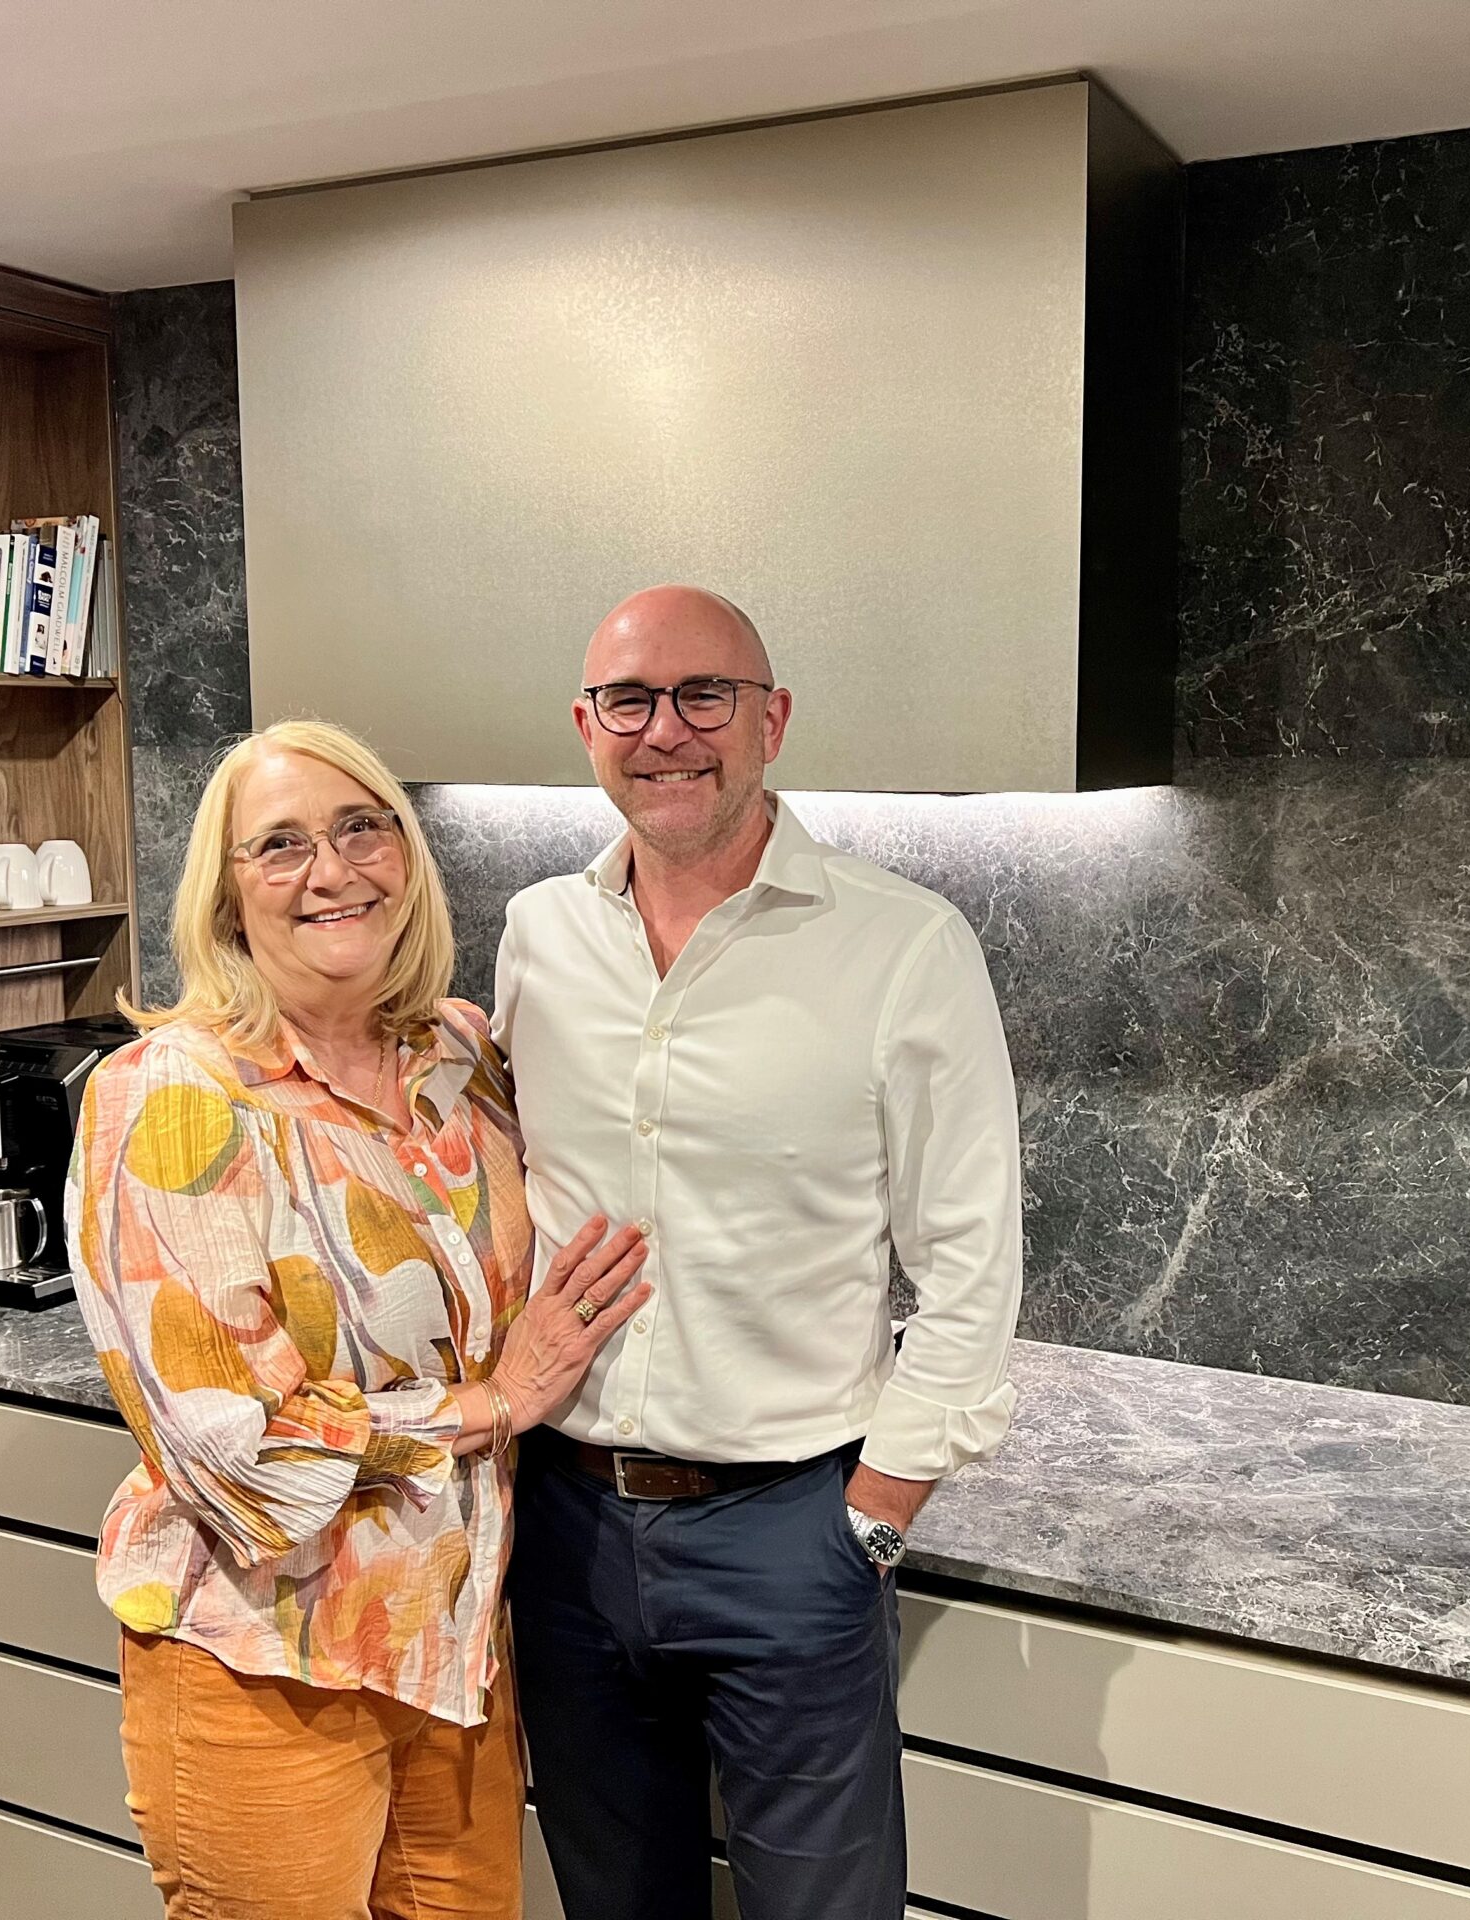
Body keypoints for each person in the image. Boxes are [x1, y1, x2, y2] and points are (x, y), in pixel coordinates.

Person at [494, 586, 1025, 1920]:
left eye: (704, 696)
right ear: (585, 726)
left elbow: (970, 1258)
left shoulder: (902, 945)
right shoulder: (537, 935)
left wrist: (877, 1512)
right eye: (631, 701)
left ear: (771, 718)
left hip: (791, 1527)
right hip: (563, 1525)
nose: (667, 732)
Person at [68, 718, 652, 1920]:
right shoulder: (176, 1093)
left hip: (455, 1656)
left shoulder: (458, 1051)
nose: (331, 871)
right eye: (278, 847)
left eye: (358, 829)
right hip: (270, 1660)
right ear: (228, 900)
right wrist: (492, 1404)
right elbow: (238, 1452)